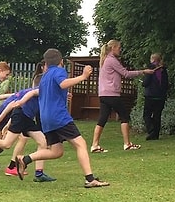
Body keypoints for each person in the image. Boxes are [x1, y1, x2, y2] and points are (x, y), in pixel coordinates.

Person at [11, 48, 109, 188]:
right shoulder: (59, 71)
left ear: (46, 62)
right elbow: (62, 83)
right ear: (61, 61)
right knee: (80, 144)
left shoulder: (44, 77)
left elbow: (48, 93)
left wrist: (63, 95)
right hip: (59, 117)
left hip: (46, 119)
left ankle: (25, 160)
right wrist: (83, 76)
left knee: (56, 151)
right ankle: (90, 179)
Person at [90, 40, 154, 153]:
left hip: (103, 94)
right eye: (119, 47)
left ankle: (94, 145)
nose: (120, 49)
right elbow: (126, 73)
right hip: (112, 94)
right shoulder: (111, 60)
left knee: (102, 119)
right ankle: (127, 144)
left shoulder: (105, 60)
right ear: (113, 47)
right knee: (124, 116)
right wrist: (143, 71)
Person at [142, 53, 168, 140]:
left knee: (146, 115)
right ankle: (156, 134)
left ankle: (151, 130)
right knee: (157, 115)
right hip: (161, 96)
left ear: (152, 60)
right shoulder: (163, 70)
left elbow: (146, 82)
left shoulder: (150, 68)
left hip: (150, 95)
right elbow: (166, 83)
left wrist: (143, 82)